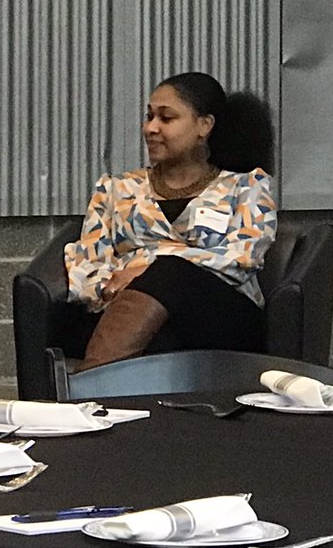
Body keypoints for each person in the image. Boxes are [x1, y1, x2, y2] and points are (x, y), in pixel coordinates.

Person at [63, 71, 277, 370]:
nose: (151, 128)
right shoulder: (115, 189)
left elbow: (242, 258)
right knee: (160, 336)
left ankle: (88, 388)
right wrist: (111, 289)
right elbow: (88, 261)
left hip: (221, 319)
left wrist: (147, 268)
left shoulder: (245, 188)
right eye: (149, 116)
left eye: (166, 118)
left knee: (170, 273)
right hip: (129, 316)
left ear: (204, 125)